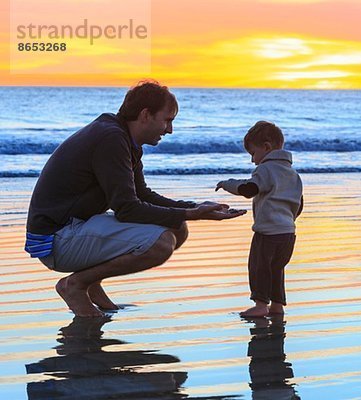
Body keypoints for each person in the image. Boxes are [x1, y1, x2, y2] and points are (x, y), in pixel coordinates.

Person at [25, 80, 246, 318]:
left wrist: (195, 208)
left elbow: (142, 195)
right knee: (161, 243)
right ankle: (76, 285)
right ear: (145, 115)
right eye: (167, 120)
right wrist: (194, 214)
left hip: (73, 228)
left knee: (177, 228)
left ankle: (90, 283)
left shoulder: (121, 136)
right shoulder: (112, 138)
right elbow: (127, 209)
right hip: (56, 240)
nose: (169, 129)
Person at [216, 121, 303, 317]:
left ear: (266, 147)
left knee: (259, 267)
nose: (253, 161)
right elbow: (299, 204)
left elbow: (249, 189)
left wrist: (226, 183)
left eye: (253, 154)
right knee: (277, 269)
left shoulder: (266, 170)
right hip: (288, 233)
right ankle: (277, 305)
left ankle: (261, 304)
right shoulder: (293, 174)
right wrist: (287, 220)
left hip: (268, 232)